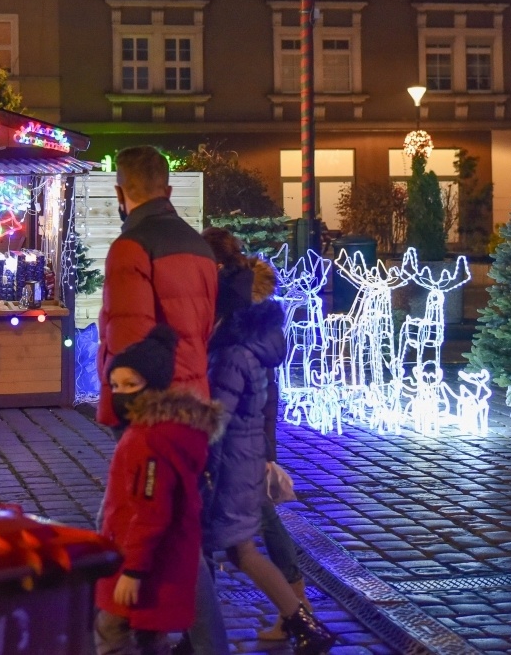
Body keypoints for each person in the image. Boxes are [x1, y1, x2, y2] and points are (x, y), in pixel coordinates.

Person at [96, 146, 223, 655]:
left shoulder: (130, 248)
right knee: (181, 523)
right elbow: (204, 330)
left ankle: (196, 642)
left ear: (120, 192)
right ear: (167, 191)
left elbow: (131, 343)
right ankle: (162, 635)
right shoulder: (199, 248)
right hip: (195, 405)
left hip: (153, 414)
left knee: (140, 523)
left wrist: (120, 411)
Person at [201, 229, 334, 654]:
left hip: (238, 446)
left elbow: (240, 397)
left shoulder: (237, 316)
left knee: (247, 538)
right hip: (248, 441)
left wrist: (261, 448)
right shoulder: (247, 311)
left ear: (217, 266)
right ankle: (296, 612)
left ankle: (298, 614)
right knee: (246, 536)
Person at [94, 326, 225, 655]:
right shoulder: (162, 431)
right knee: (149, 636)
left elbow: (151, 512)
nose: (121, 393)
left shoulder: (148, 440)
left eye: (131, 385)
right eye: (115, 386)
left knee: (111, 632)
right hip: (153, 558)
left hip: (140, 561)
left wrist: (133, 571)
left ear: (152, 386)